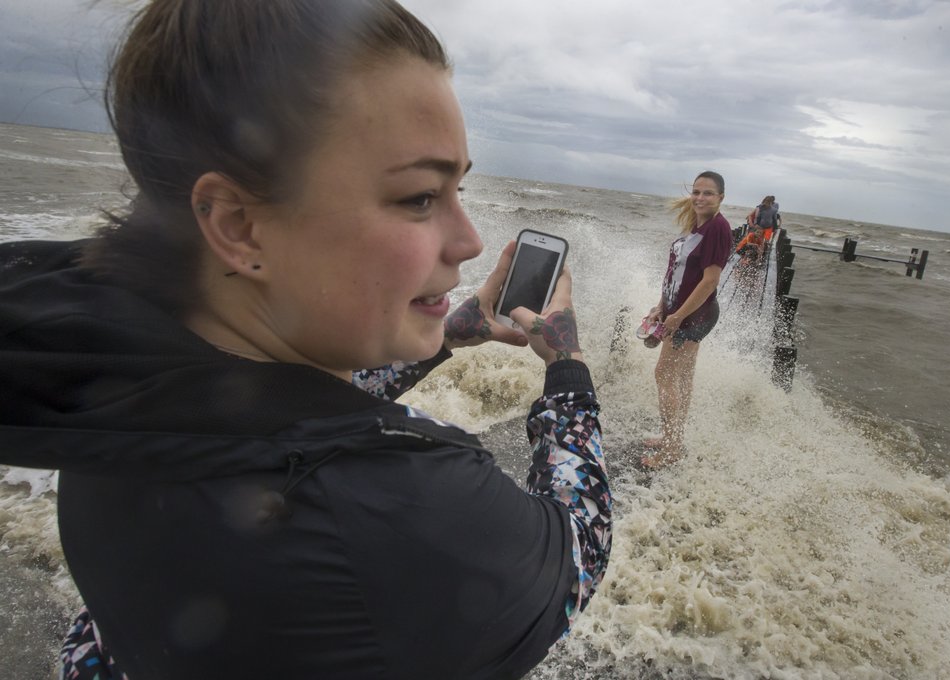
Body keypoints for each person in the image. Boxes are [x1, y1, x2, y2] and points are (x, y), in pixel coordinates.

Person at [0, 2, 611, 679]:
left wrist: (442, 337)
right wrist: (568, 373)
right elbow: (573, 549)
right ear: (238, 226)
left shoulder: (99, 369)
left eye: (459, 188)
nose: (468, 241)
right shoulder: (399, 513)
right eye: (419, 197)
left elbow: (279, 413)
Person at [641, 171, 732, 468]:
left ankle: (670, 450)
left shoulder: (718, 228)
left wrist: (678, 316)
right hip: (680, 313)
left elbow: (709, 281)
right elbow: (677, 273)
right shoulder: (697, 224)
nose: (700, 198)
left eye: (707, 193)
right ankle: (673, 439)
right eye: (696, 192)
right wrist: (660, 307)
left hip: (694, 316)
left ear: (721, 198)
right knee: (681, 378)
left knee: (664, 375)